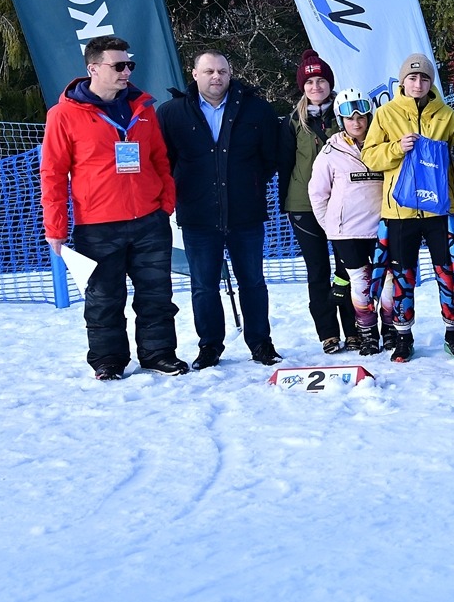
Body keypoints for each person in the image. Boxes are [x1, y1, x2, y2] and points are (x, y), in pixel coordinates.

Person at [40, 35, 183, 381]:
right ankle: (108, 359)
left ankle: (158, 353)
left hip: (150, 220)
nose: (126, 72)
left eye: (129, 65)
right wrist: (55, 228)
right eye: (118, 66)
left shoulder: (142, 108)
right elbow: (53, 173)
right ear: (93, 69)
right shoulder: (63, 115)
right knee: (104, 299)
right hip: (98, 225)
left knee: (157, 294)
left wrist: (166, 203)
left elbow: (159, 159)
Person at [157, 49, 283, 368]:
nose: (216, 77)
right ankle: (210, 347)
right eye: (209, 71)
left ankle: (261, 343)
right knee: (203, 286)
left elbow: (271, 157)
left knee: (253, 281)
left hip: (246, 214)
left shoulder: (256, 110)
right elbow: (163, 161)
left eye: (222, 72)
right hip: (198, 216)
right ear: (195, 74)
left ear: (230, 74)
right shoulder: (172, 113)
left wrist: (250, 183)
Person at [363, 52, 454, 363]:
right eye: (412, 77)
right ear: (402, 81)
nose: (418, 83)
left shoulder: (447, 115)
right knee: (401, 275)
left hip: (440, 209)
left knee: (450, 272)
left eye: (424, 77)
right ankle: (402, 336)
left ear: (431, 82)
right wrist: (396, 148)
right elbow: (370, 157)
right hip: (399, 211)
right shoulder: (385, 114)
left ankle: (453, 332)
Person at [280, 49, 353, 354]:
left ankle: (356, 329)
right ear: (302, 87)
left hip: (344, 204)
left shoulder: (346, 113)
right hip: (303, 206)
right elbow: (284, 163)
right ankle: (328, 333)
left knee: (348, 269)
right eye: (309, 82)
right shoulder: (291, 121)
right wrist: (285, 201)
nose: (315, 87)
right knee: (318, 271)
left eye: (321, 80)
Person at [306, 89, 388, 355]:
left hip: (381, 226)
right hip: (348, 231)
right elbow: (317, 194)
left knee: (386, 282)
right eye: (349, 118)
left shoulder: (383, 145)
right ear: (341, 121)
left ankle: (390, 330)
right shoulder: (331, 152)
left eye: (361, 116)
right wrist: (331, 226)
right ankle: (367, 333)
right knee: (359, 283)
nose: (357, 122)